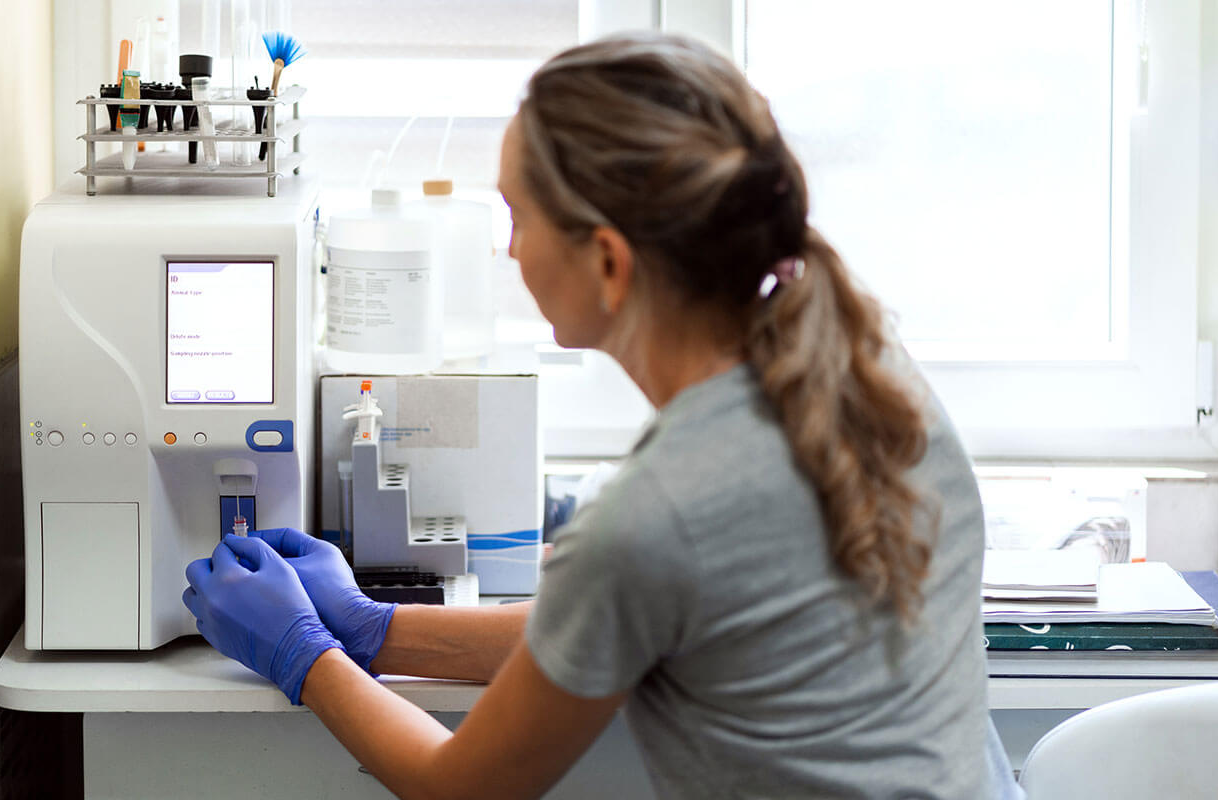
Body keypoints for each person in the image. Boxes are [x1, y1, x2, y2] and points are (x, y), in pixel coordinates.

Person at [183, 32, 1003, 799]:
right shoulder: (869, 372)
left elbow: (460, 784)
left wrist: (306, 657)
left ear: (608, 261)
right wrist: (375, 629)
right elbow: (625, 620)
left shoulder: (659, 515)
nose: (507, 250)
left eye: (518, 217)